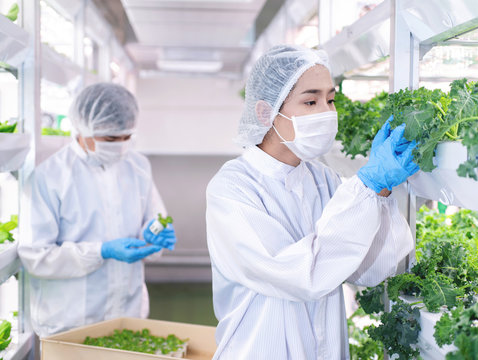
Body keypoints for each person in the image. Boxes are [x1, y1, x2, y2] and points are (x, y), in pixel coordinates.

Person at [206, 45, 419, 359]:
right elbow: (303, 277)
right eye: (310, 100)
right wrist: (367, 185)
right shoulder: (233, 188)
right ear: (266, 112)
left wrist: (380, 191)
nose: (327, 112)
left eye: (330, 99)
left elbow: (371, 270)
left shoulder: (325, 179)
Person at [18, 83, 177, 337]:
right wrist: (100, 252)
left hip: (128, 316)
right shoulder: (50, 177)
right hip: (70, 323)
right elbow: (36, 256)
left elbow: (154, 220)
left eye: (127, 137)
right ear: (83, 128)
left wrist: (154, 236)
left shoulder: (137, 166)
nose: (121, 145)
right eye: (111, 139)